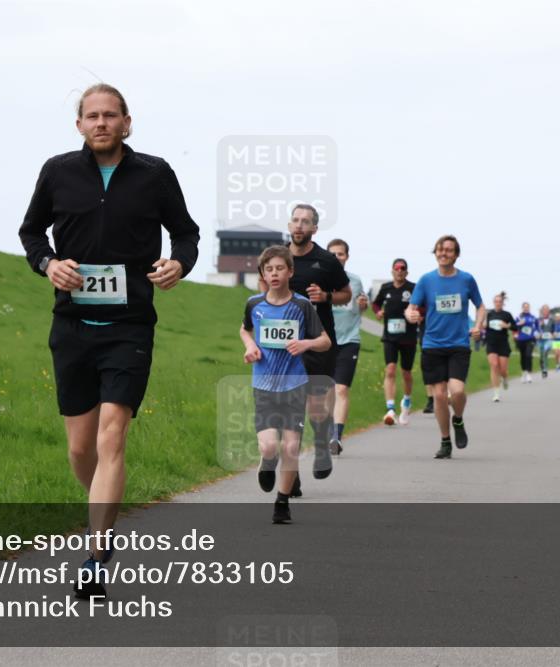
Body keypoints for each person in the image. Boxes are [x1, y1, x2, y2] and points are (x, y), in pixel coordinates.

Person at [19, 83, 200, 600]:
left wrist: (177, 264)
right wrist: (48, 264)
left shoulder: (154, 173)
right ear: (79, 124)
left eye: (110, 115)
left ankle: (97, 553)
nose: (101, 123)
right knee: (80, 448)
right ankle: (103, 507)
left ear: (127, 122)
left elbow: (185, 233)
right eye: (91, 116)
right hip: (72, 327)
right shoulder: (58, 172)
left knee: (111, 436)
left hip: (130, 326)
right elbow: (31, 233)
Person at [242, 247, 331, 524]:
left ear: (290, 272)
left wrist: (306, 343)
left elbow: (325, 341)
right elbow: (244, 328)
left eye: (280, 268)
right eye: (269, 269)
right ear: (262, 274)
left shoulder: (302, 305)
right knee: (270, 446)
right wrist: (250, 346)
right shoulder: (254, 304)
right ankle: (267, 462)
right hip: (264, 384)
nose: (274, 274)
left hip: (294, 384)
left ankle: (282, 503)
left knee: (291, 448)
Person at [271, 204, 352, 495]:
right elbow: (263, 286)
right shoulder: (277, 256)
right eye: (295, 220)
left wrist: (327, 295)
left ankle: (321, 446)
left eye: (306, 222)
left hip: (319, 342)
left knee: (315, 406)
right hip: (283, 345)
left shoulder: (327, 260)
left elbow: (346, 294)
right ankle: (291, 476)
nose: (299, 226)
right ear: (290, 224)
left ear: (315, 229)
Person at [405, 235, 485, 460]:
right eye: (440, 250)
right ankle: (445, 441)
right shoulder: (426, 280)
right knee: (439, 396)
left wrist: (478, 325)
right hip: (432, 345)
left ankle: (457, 419)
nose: (444, 253)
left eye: (449, 250)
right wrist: (410, 314)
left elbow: (481, 307)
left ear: (456, 254)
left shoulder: (466, 280)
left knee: (457, 391)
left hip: (458, 344)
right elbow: (411, 308)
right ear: (435, 253)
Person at [327, 239, 367, 455]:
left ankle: (337, 437)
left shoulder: (355, 281)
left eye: (340, 254)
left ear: (347, 256)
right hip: (325, 341)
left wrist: (363, 306)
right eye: (332, 254)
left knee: (341, 389)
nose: (336, 258)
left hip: (349, 340)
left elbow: (359, 310)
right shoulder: (321, 280)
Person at [372, 259, 418, 425]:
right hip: (390, 336)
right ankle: (390, 409)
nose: (399, 271)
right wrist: (378, 312)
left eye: (402, 268)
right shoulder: (386, 288)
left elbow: (423, 305)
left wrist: (417, 313)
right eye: (396, 268)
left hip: (408, 338)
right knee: (390, 369)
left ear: (406, 272)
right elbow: (375, 304)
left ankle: (406, 400)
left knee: (406, 373)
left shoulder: (413, 288)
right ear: (392, 271)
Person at [484, 291, 517, 402]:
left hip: (503, 344)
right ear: (493, 302)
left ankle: (505, 378)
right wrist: (483, 326)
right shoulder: (489, 314)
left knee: (503, 369)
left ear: (503, 303)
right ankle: (496, 393)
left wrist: (506, 325)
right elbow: (485, 327)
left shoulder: (507, 315)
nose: (498, 303)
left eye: (500, 302)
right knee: (494, 365)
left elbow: (515, 328)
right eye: (496, 301)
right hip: (491, 343)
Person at [514, 301, 538, 384]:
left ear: (529, 308)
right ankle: (523, 372)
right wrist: (519, 324)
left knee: (529, 355)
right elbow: (514, 326)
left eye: (527, 307)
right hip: (521, 339)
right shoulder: (518, 317)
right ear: (522, 308)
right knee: (523, 357)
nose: (526, 308)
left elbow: (537, 327)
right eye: (525, 307)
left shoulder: (533, 317)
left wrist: (537, 333)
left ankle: (529, 373)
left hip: (530, 339)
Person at [537, 305, 555, 379]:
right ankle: (543, 368)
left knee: (545, 352)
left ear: (548, 311)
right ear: (542, 311)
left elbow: (554, 330)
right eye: (544, 310)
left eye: (547, 310)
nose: (545, 312)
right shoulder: (538, 319)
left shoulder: (552, 320)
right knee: (541, 355)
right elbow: (536, 329)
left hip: (549, 340)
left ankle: (545, 370)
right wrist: (539, 327)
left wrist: (553, 334)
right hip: (541, 340)